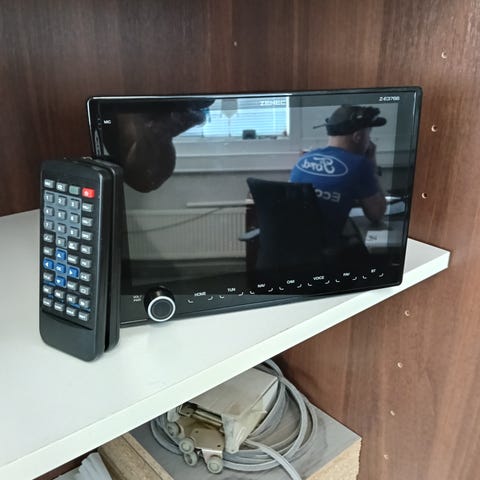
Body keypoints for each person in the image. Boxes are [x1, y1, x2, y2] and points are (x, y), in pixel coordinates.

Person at [290, 104, 387, 239]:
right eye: (368, 135)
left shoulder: (304, 158)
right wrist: (371, 163)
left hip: (293, 241)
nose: (369, 142)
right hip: (324, 247)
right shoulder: (359, 164)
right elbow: (376, 214)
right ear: (358, 137)